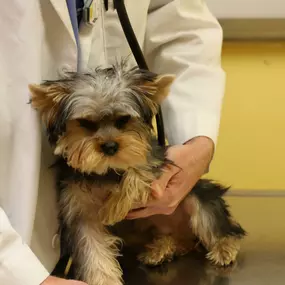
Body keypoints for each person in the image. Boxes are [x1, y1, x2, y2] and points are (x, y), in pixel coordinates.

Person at [0, 0, 225, 284]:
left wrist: (198, 138)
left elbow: (180, 23)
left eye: (121, 124)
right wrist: (13, 270)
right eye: (88, 125)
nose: (108, 140)